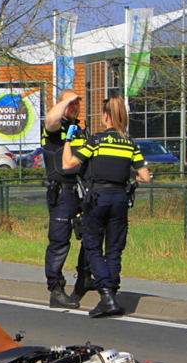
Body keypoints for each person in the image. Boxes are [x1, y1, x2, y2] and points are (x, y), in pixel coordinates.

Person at [62, 95, 151, 318]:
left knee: (92, 246)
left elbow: (68, 164)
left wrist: (67, 141)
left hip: (98, 198)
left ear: (105, 116)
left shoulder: (96, 140)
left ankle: (105, 296)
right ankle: (112, 293)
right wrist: (122, 172)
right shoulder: (130, 143)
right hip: (120, 199)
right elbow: (145, 177)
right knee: (114, 249)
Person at [41, 89, 92, 309]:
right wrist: (66, 100)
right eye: (70, 103)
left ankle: (85, 278)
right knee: (60, 241)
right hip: (62, 192)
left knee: (90, 236)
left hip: (82, 191)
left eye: (77, 103)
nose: (74, 106)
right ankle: (56, 289)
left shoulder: (80, 131)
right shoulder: (55, 128)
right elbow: (51, 119)